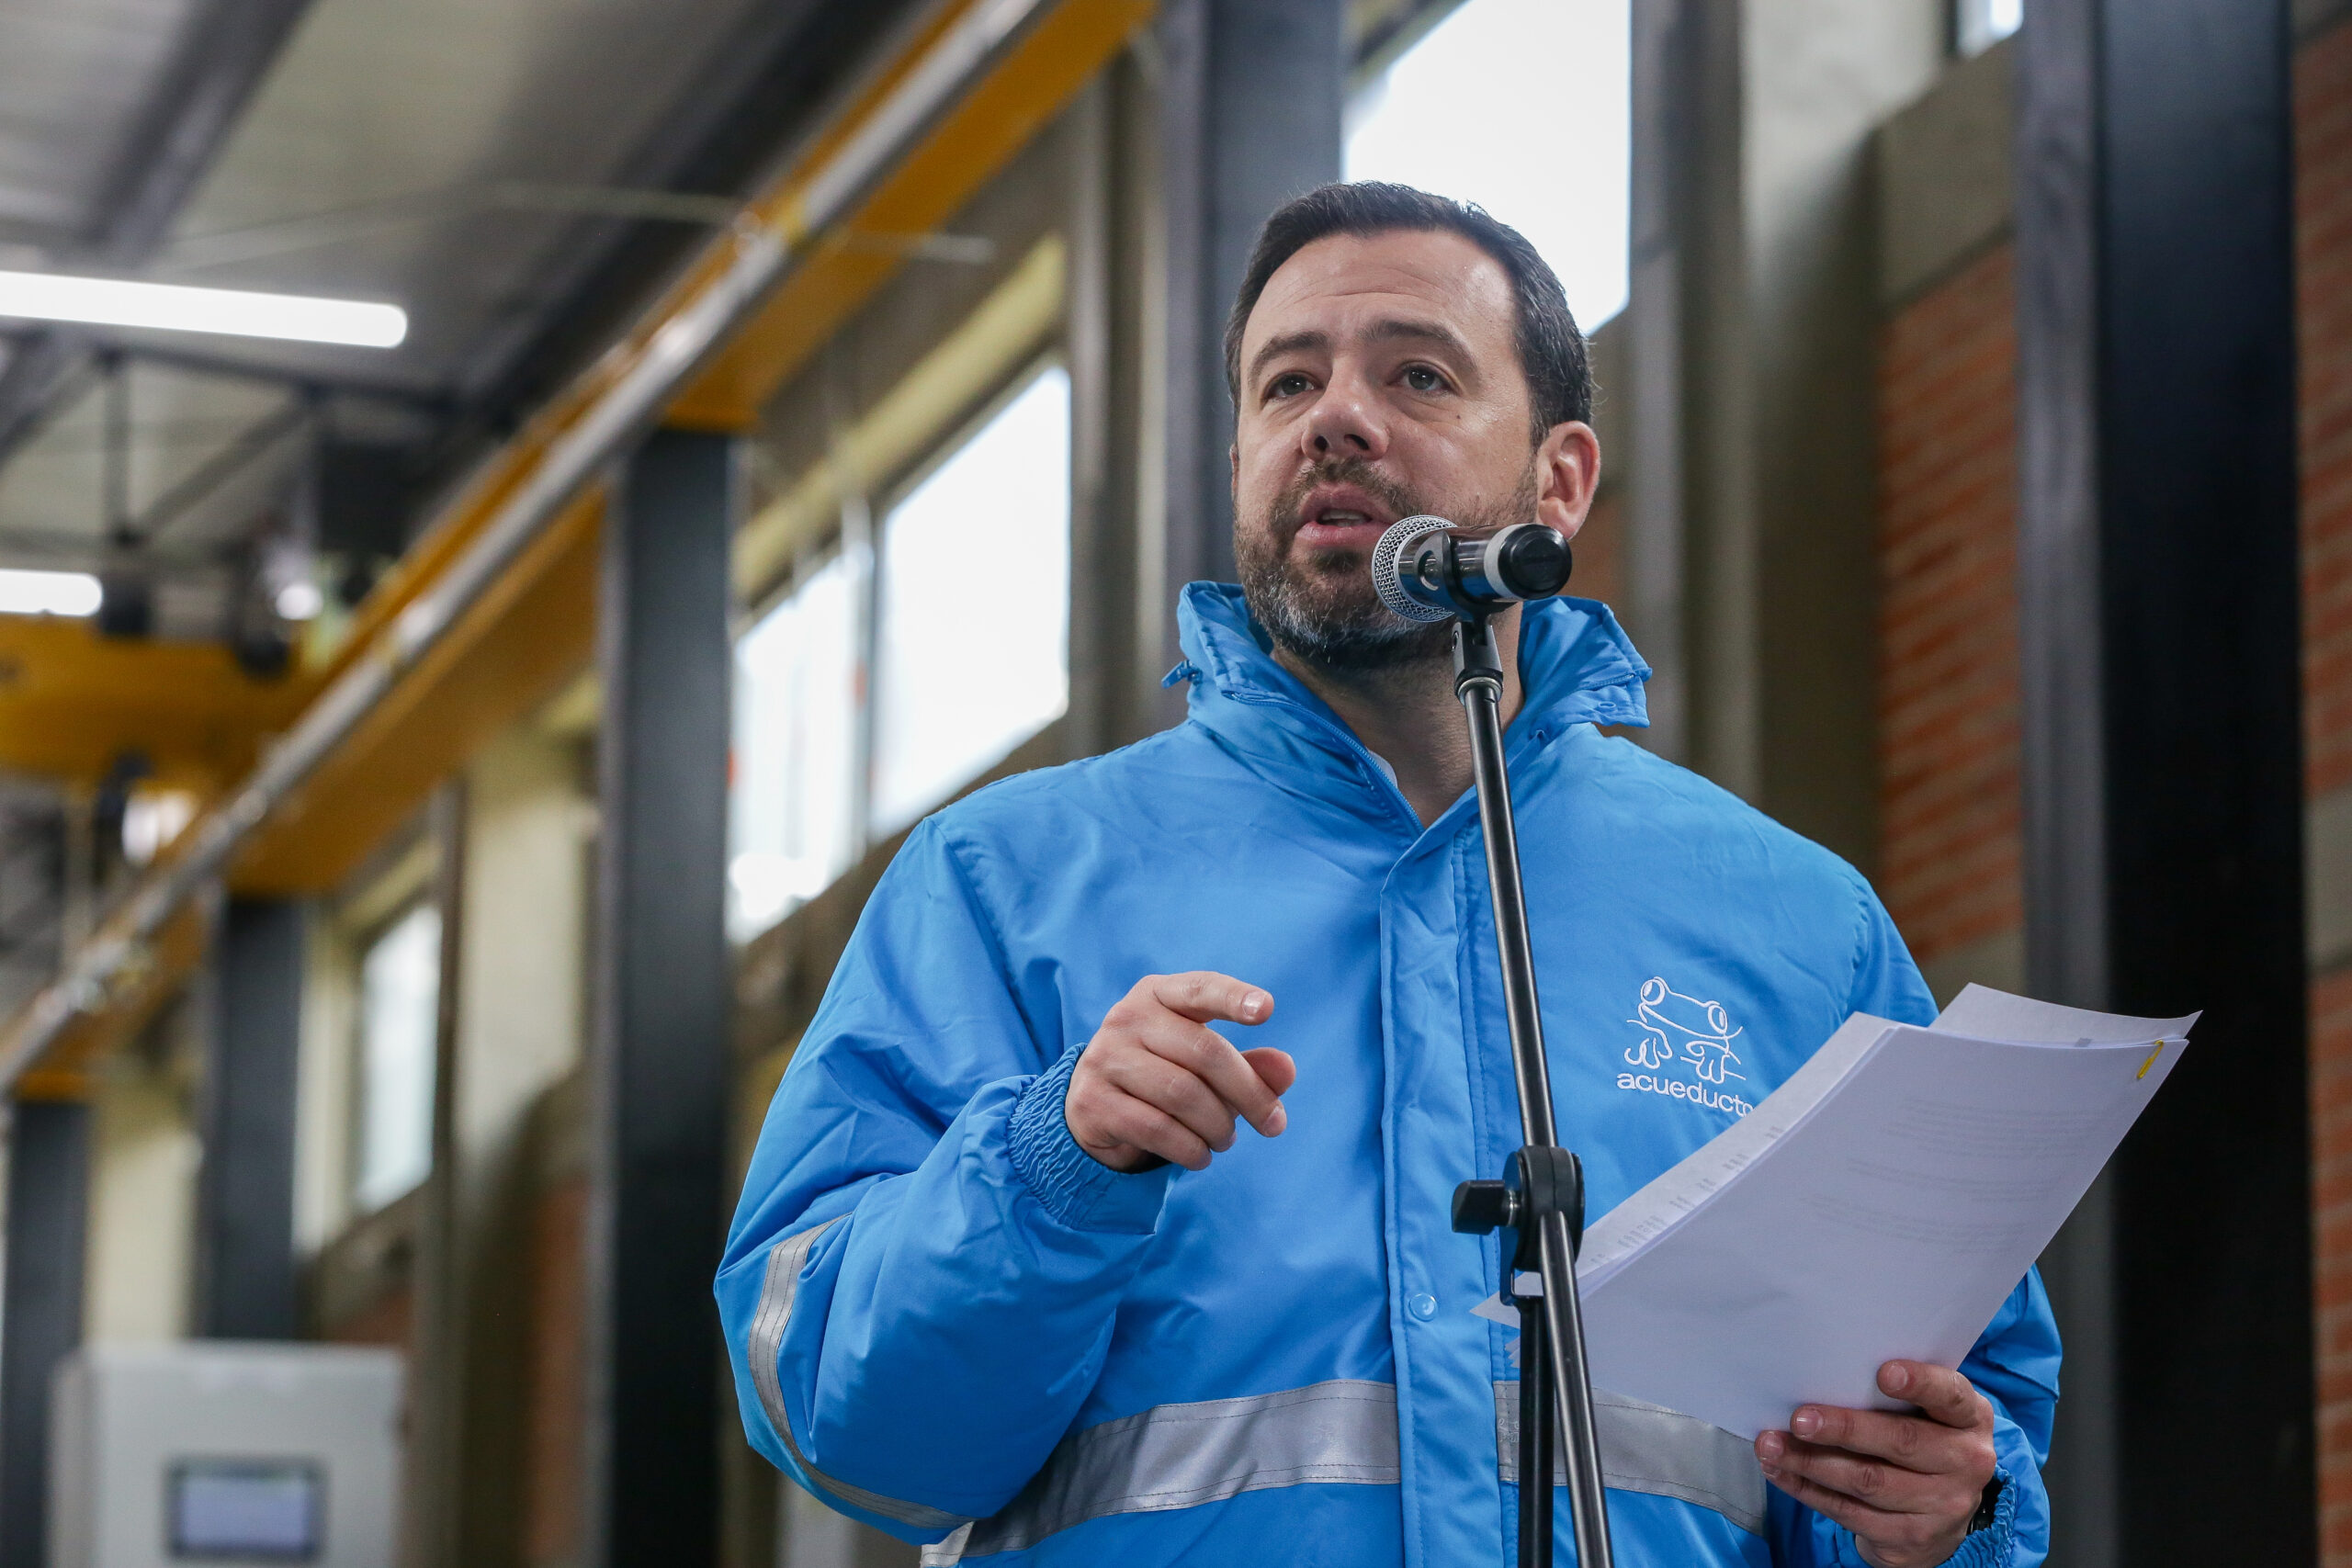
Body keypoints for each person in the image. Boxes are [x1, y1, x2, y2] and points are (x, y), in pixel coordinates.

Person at [717, 182, 2057, 1568]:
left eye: (1416, 374)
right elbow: (845, 1424)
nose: (1335, 418)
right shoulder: (1003, 879)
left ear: (1561, 481)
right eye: (1287, 382)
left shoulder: (1796, 923)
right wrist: (1050, 1158)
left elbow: (1950, 1416)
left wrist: (1950, 1516)